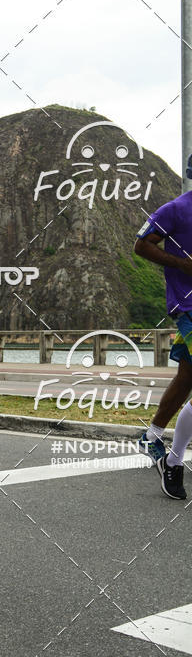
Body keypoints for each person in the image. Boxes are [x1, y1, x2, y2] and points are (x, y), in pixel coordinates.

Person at [135, 166, 192, 501]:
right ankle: (174, 461)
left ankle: (153, 435)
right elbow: (142, 245)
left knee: (187, 378)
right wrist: (182, 264)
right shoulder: (176, 209)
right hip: (189, 307)